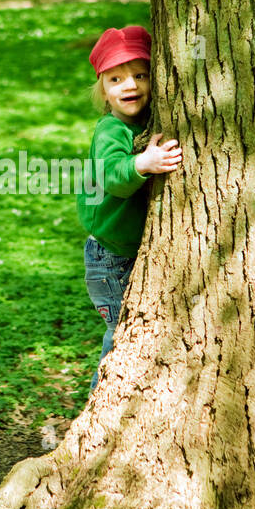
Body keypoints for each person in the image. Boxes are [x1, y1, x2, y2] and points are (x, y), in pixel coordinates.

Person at [76, 25, 183, 390]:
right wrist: (144, 163)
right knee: (122, 336)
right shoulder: (111, 129)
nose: (130, 85)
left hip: (123, 253)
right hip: (109, 258)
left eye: (140, 75)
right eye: (116, 78)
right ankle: (100, 403)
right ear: (103, 90)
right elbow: (112, 175)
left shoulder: (141, 120)